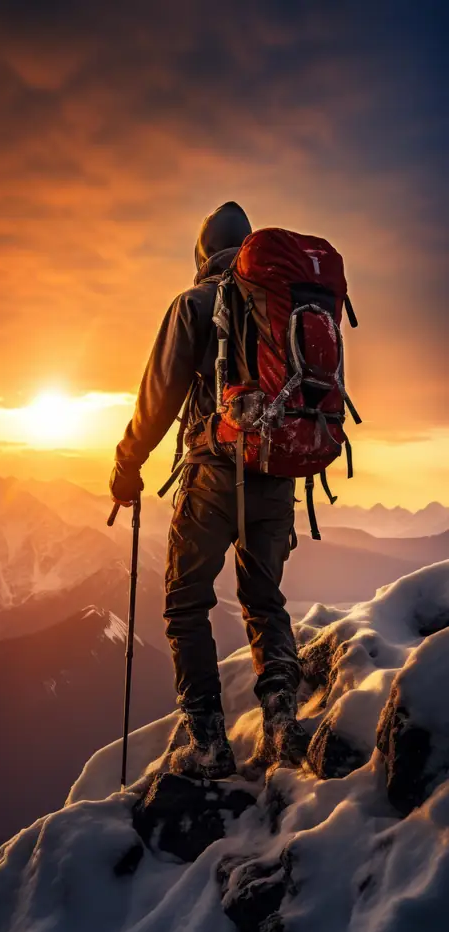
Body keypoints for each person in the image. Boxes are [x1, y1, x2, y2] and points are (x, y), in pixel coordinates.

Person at [109, 201, 309, 780]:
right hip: (277, 472)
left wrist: (127, 466)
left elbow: (158, 398)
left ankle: (209, 745)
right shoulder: (287, 303)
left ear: (202, 254)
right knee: (264, 600)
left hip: (214, 474)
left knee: (185, 603)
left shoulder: (195, 304)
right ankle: (281, 722)